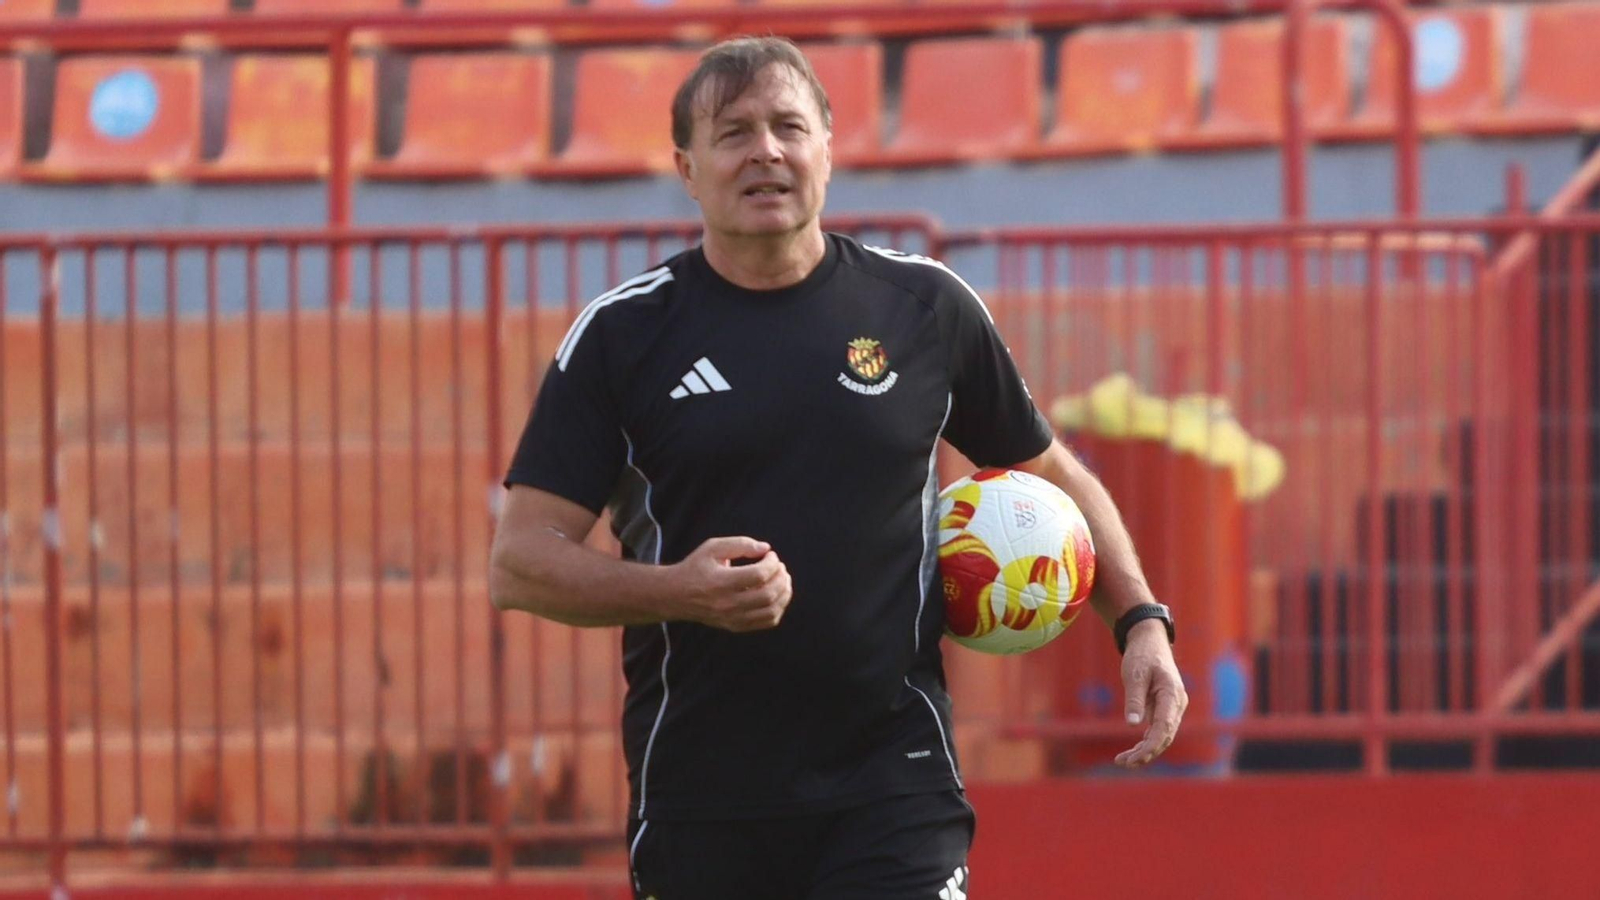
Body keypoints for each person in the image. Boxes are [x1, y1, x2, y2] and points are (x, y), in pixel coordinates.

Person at [489, 35, 1185, 900]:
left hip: (894, 780)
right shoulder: (622, 339)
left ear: (828, 145)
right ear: (688, 166)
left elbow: (1048, 469)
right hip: (702, 794)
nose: (766, 150)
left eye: (788, 125)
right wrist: (681, 592)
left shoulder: (923, 308)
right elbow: (518, 562)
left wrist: (1141, 620)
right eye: (734, 132)